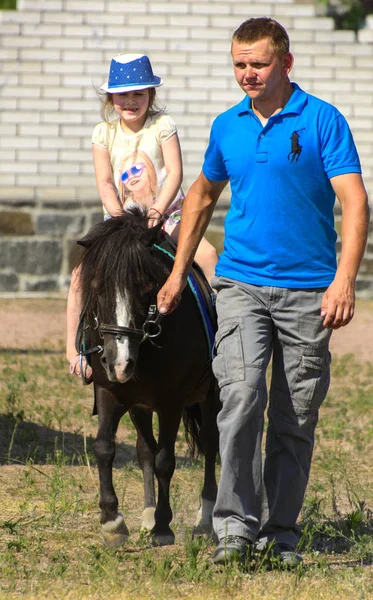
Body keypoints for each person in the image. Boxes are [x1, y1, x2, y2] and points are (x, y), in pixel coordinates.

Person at [157, 18, 369, 567]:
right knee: (241, 396)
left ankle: (281, 532)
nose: (247, 74)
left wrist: (345, 279)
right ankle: (234, 530)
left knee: (295, 415)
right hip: (241, 285)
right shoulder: (228, 126)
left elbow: (354, 202)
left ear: (286, 64)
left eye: (259, 63)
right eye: (239, 64)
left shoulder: (323, 121)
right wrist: (179, 272)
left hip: (309, 292)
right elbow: (202, 195)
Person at [66, 53, 218, 380]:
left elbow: (175, 173)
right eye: (123, 94)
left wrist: (156, 212)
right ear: (111, 98)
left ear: (151, 95)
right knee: (80, 273)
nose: (131, 101)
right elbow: (105, 181)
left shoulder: (162, 126)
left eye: (139, 93)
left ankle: (220, 340)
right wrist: (120, 219)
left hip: (165, 217)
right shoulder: (103, 133)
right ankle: (74, 348)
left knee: (208, 255)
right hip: (120, 225)